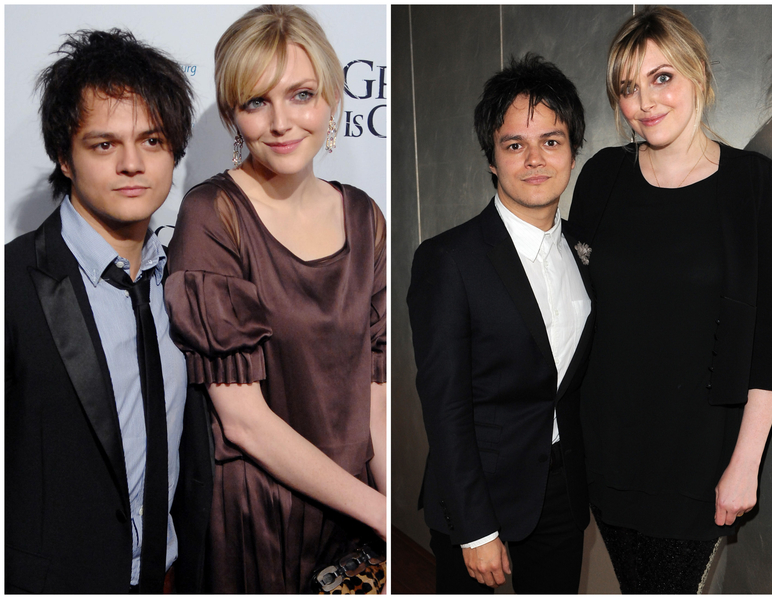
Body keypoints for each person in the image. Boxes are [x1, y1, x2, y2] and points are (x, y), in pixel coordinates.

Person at [568, 6, 772, 594]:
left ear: (699, 75)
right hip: (609, 445)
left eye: (662, 77)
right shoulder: (601, 176)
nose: (645, 101)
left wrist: (745, 464)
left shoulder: (756, 182)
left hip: (702, 456)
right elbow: (572, 308)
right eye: (628, 87)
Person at [163, 5, 386, 593]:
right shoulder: (213, 215)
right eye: (257, 101)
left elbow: (376, 389)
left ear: (332, 97)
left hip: (355, 515)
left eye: (301, 94)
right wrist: (378, 511)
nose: (282, 122)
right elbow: (245, 423)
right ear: (234, 113)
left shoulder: (364, 216)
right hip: (259, 519)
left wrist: (386, 510)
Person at [5, 29, 213, 593]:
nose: (131, 164)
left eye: (151, 141)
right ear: (63, 158)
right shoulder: (11, 286)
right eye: (103, 144)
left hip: (172, 577)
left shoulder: (187, 279)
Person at [407, 54, 594, 594]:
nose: (535, 159)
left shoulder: (584, 252)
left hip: (561, 489)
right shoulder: (449, 259)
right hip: (479, 495)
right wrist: (475, 529)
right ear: (492, 158)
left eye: (551, 141)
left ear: (573, 151)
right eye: (515, 144)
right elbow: (444, 403)